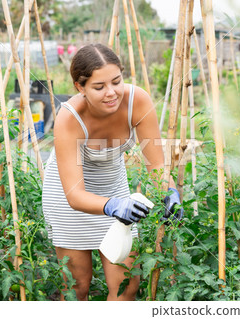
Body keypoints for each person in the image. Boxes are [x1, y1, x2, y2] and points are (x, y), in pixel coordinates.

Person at [42, 43, 183, 301]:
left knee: (127, 285)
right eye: (99, 87)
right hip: (69, 200)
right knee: (77, 287)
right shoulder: (69, 117)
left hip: (114, 189)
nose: (111, 93)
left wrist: (170, 191)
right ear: (80, 87)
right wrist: (112, 206)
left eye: (116, 81)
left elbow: (156, 166)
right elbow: (74, 195)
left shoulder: (137, 101)